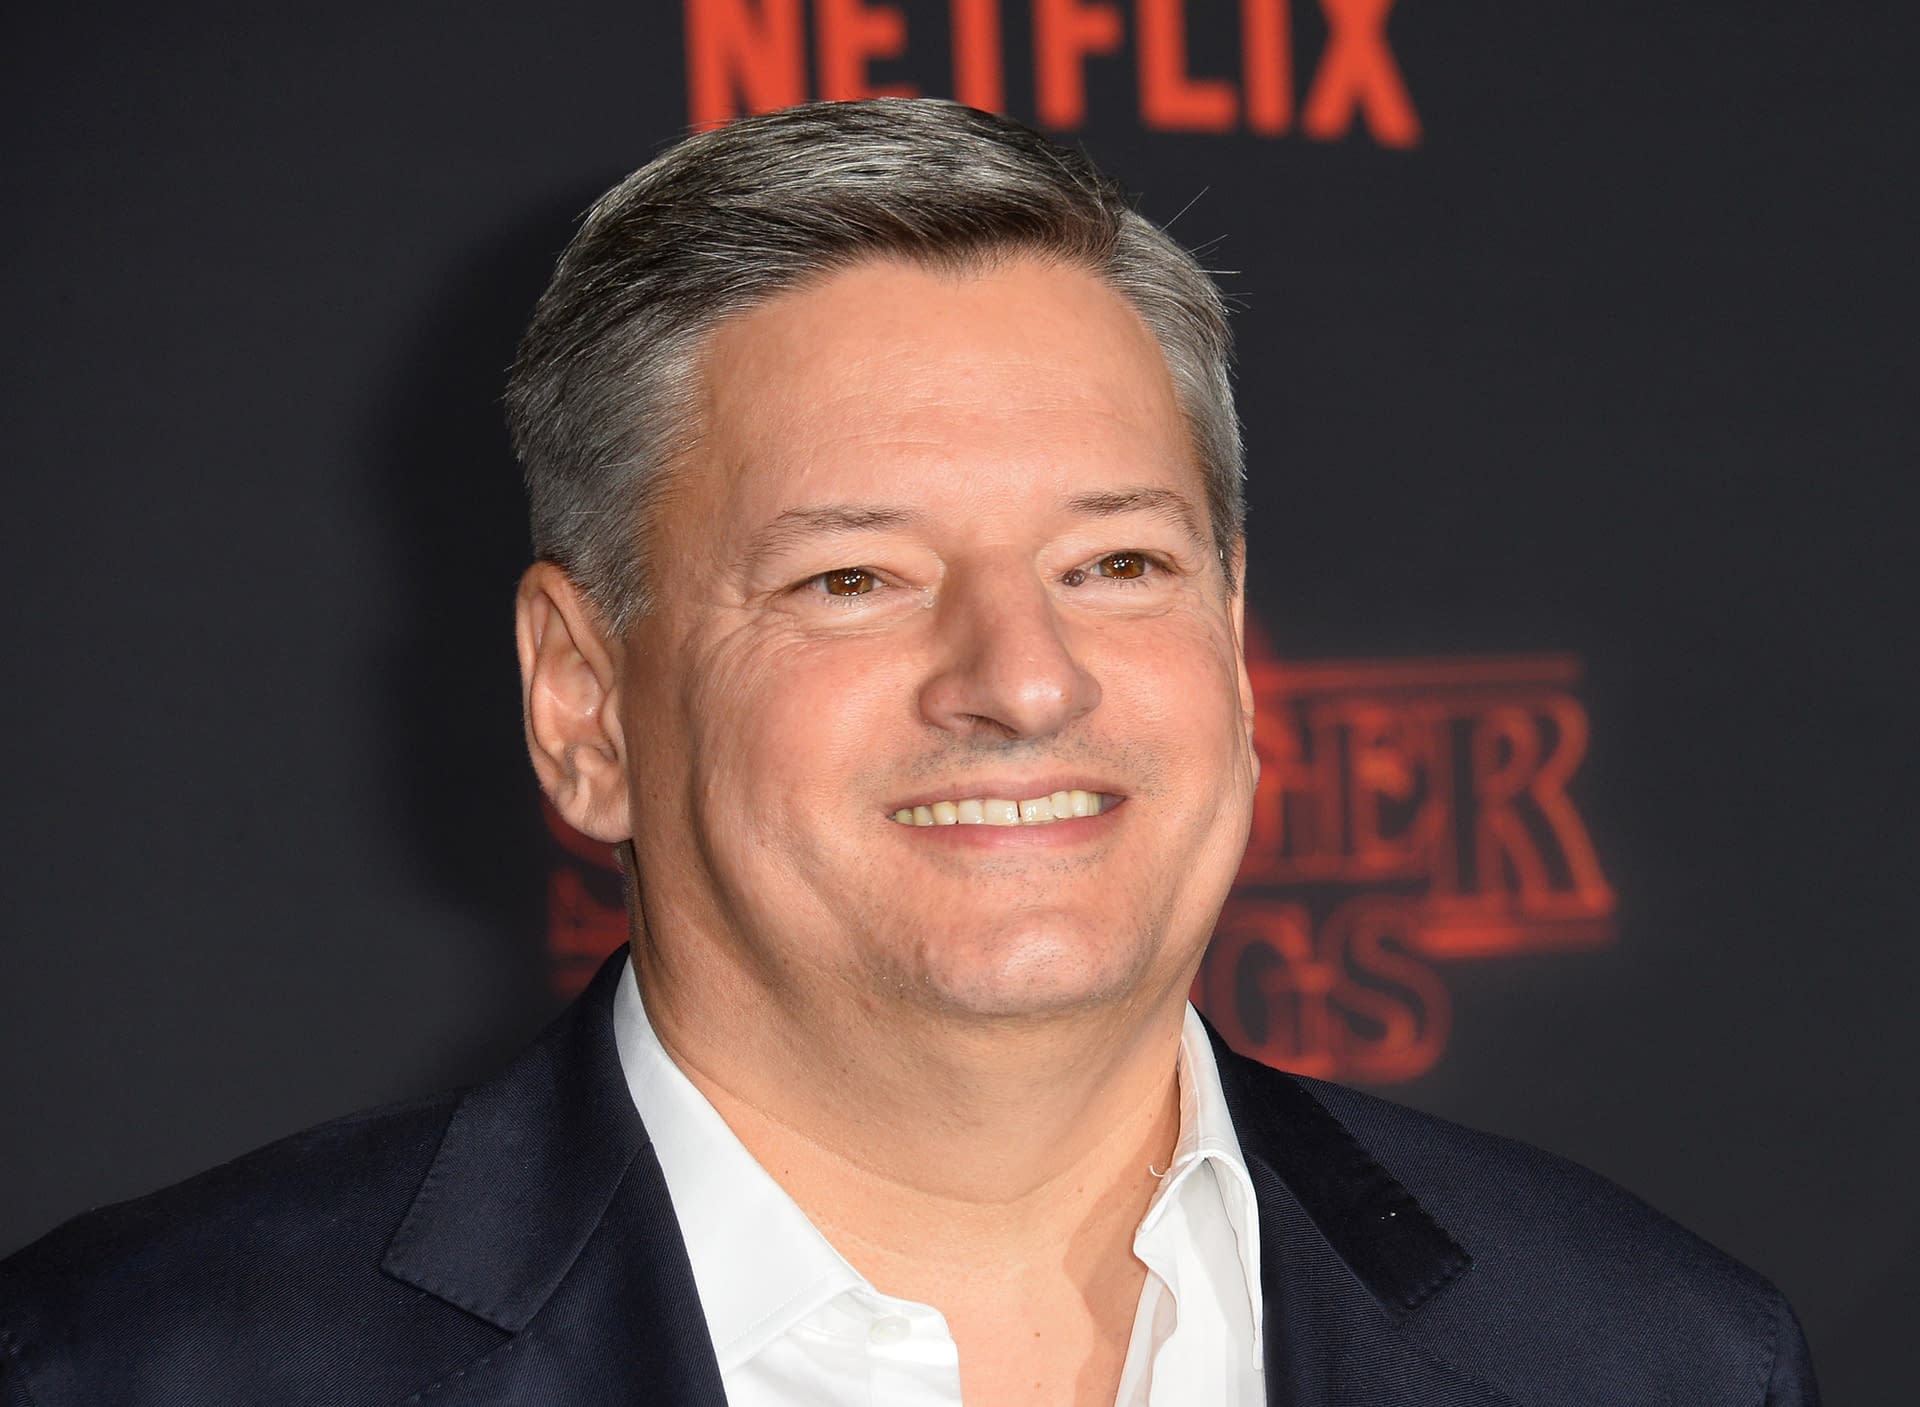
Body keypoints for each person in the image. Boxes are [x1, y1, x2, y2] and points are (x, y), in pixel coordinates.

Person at [0, 99, 1817, 1406]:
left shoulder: (1655, 1356)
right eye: (853, 578)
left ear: (1235, 632)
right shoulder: (137, 1367)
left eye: (1116, 565)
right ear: (583, 704)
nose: (1022, 682)